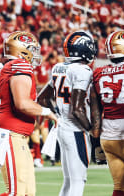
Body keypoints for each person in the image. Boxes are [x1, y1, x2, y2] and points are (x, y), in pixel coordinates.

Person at [0, 31, 58, 196]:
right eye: (31, 49)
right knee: (16, 192)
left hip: (14, 135)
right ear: (21, 50)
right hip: (9, 135)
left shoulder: (9, 67)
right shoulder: (19, 66)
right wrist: (48, 112)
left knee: (28, 192)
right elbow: (22, 104)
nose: (35, 54)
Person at [38, 31, 100, 196]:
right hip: (76, 130)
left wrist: (57, 114)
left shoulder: (58, 67)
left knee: (68, 181)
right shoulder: (82, 70)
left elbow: (42, 99)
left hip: (62, 128)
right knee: (78, 181)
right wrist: (93, 133)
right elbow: (77, 110)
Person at [91, 31, 124, 196]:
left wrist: (96, 142)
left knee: (120, 188)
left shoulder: (98, 72)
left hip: (108, 138)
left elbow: (95, 109)